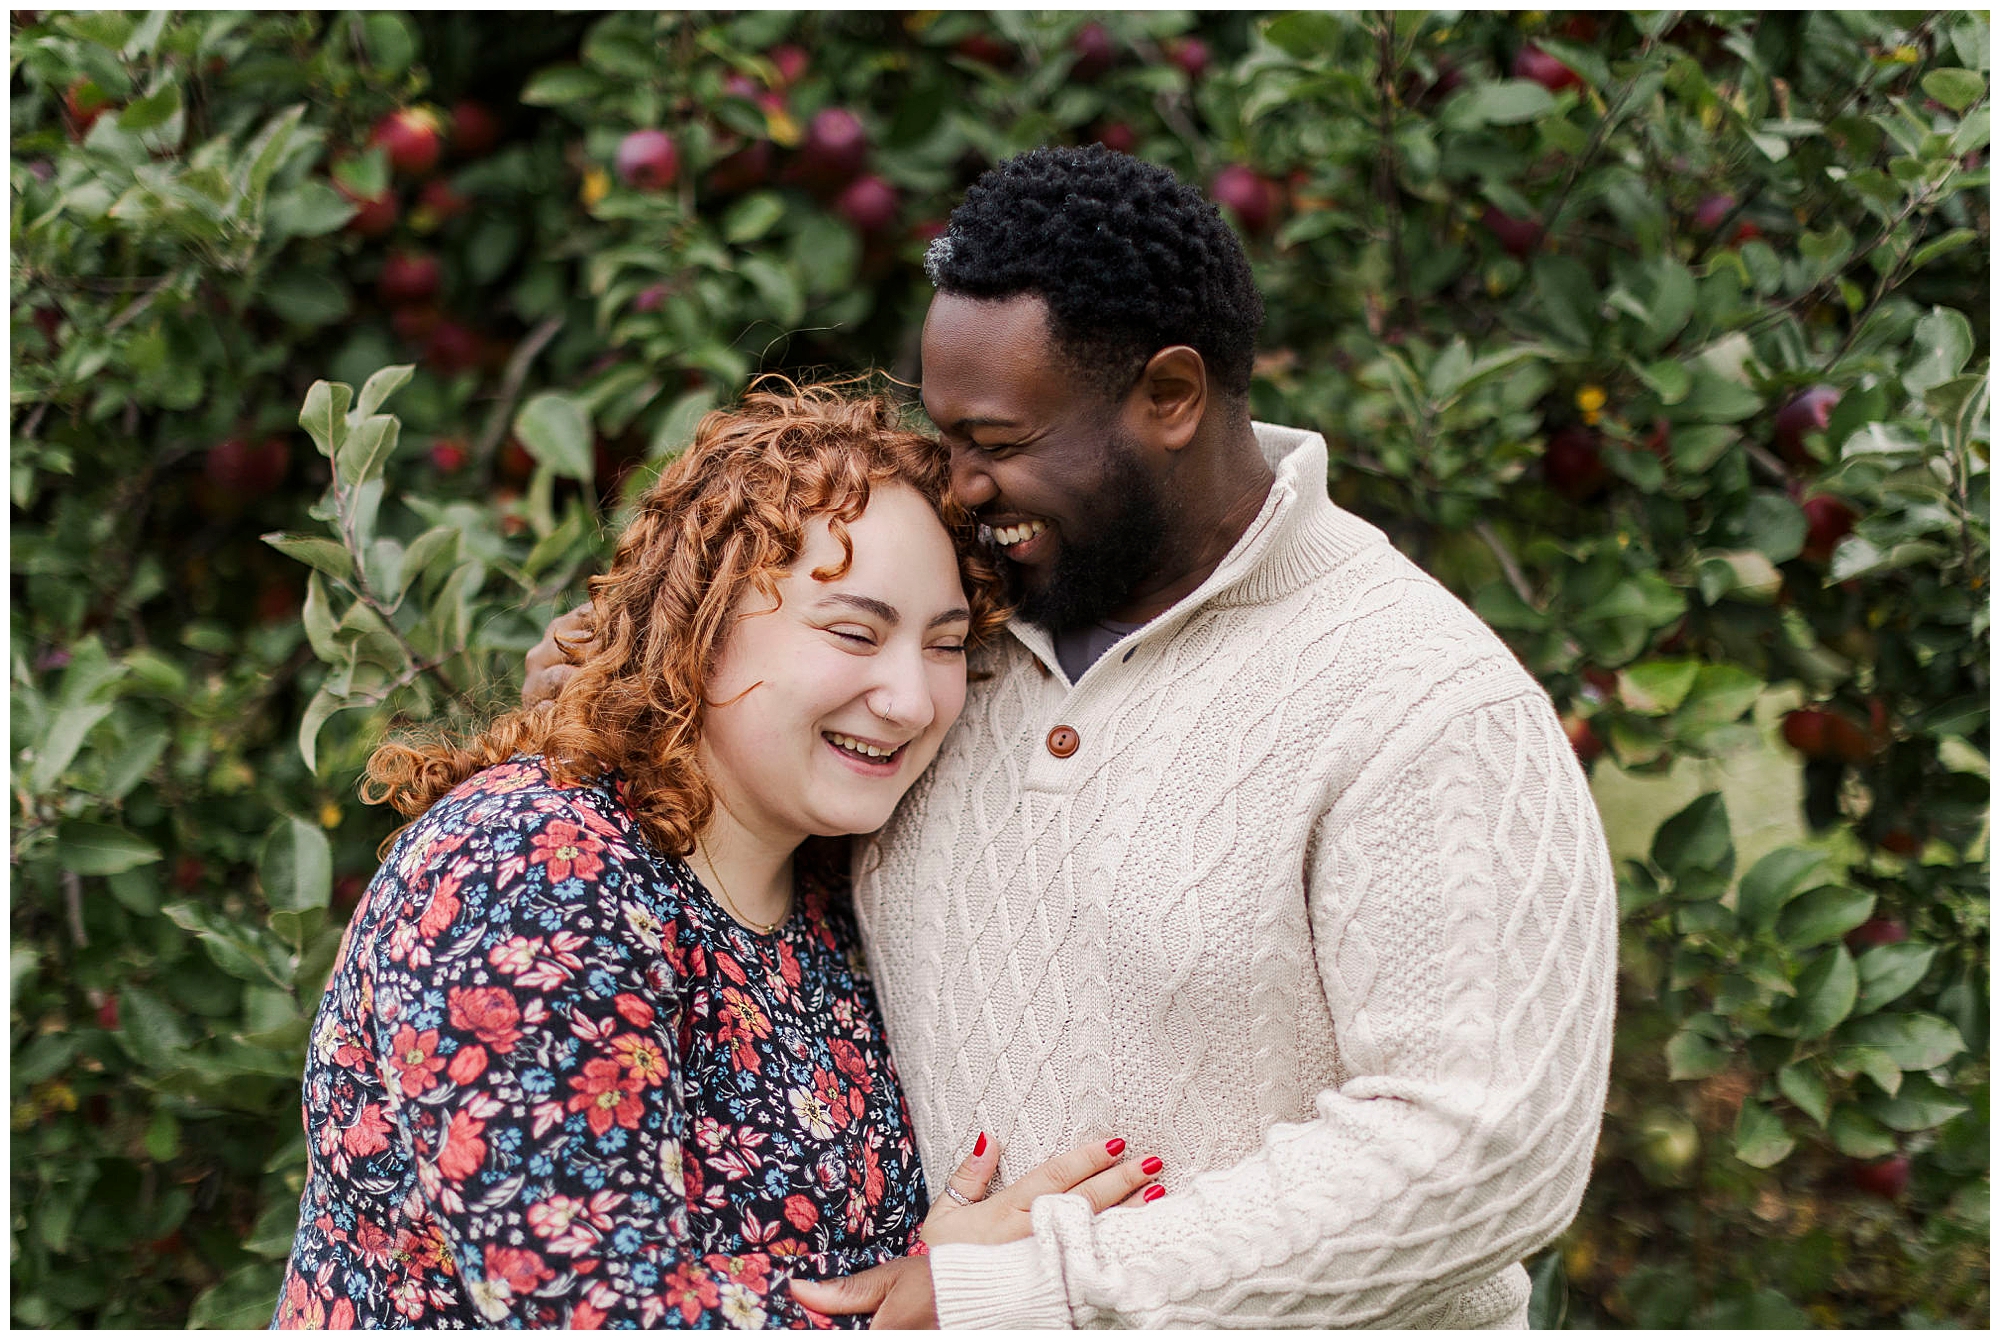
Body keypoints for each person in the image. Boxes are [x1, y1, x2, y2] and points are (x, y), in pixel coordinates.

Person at [525, 146, 1619, 1328]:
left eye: (995, 441)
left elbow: (1479, 1151)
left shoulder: (1420, 702)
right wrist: (644, 700)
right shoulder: (947, 645)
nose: (958, 485)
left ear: (1169, 398)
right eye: (943, 436)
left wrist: (1034, 1288)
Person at [271, 383, 1167, 1330]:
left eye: (944, 646)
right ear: (697, 628)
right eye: (853, 632)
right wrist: (935, 1300)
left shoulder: (832, 893)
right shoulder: (529, 866)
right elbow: (586, 1310)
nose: (909, 699)